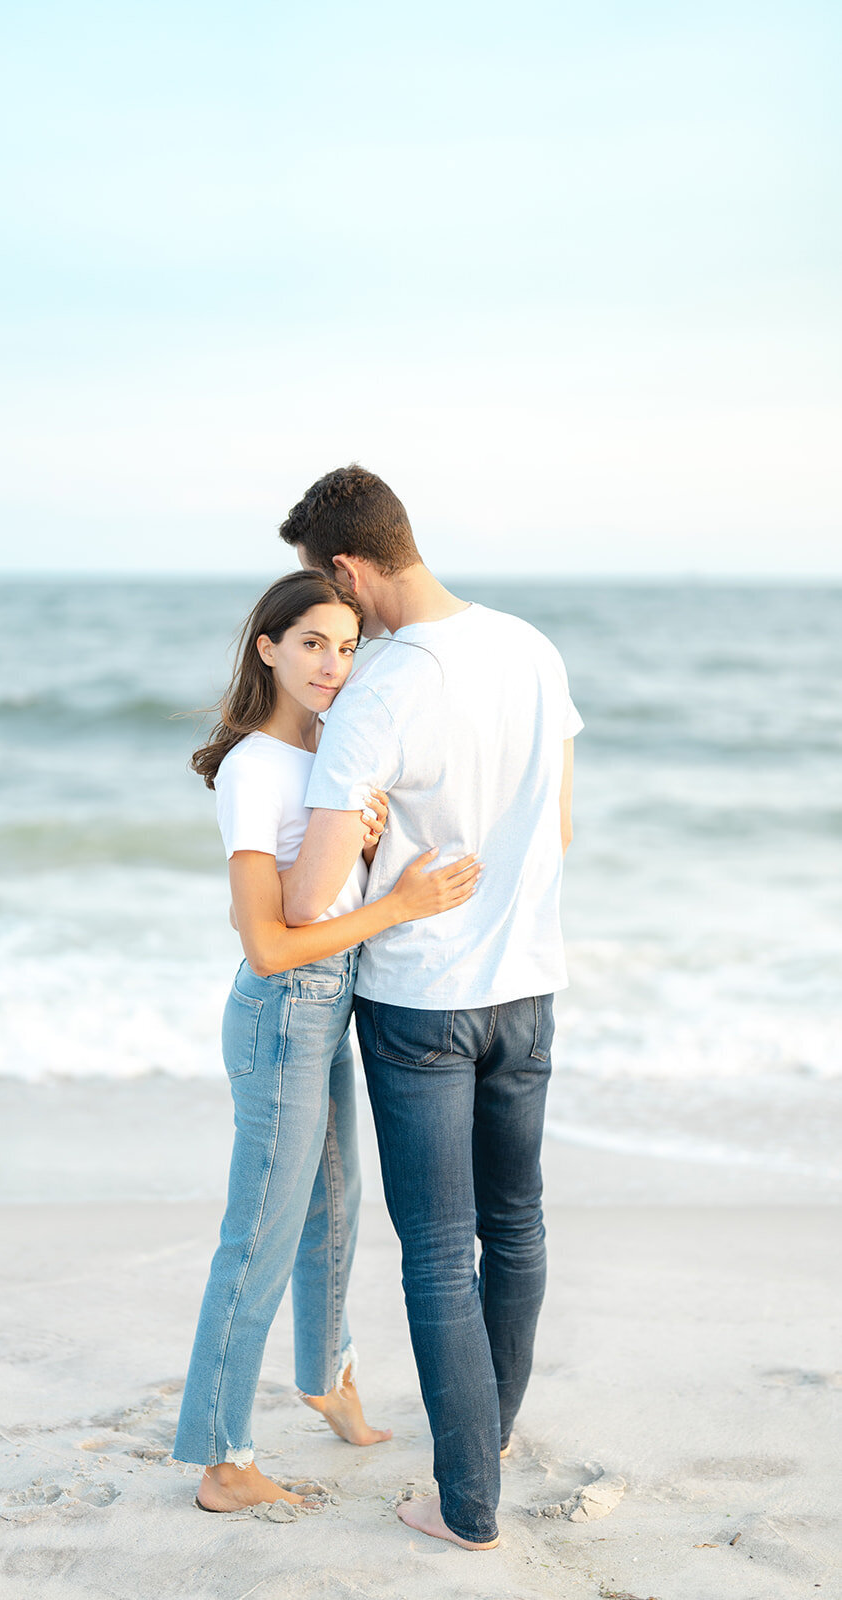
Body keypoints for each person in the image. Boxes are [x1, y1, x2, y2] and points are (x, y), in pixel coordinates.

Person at [275, 465, 582, 1551]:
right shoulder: (530, 648)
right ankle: (481, 1435)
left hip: (419, 1001)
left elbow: (309, 896)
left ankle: (463, 1506)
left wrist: (355, 855)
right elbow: (556, 831)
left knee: (438, 1251)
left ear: (346, 570)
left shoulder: (382, 689)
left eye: (325, 588)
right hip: (526, 986)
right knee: (517, 1224)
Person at [172, 569, 480, 1513]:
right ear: (266, 647)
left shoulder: (322, 757)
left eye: (348, 646)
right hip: (282, 1010)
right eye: (312, 642)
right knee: (258, 1236)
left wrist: (366, 846)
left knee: (334, 1209)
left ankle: (328, 1375)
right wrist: (397, 905)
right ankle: (223, 1461)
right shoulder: (254, 767)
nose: (333, 664)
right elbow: (264, 943)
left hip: (330, 1001)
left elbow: (326, 888)